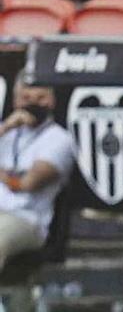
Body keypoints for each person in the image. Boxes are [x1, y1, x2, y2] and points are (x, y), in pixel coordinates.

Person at [0, 74, 75, 270]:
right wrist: (6, 126)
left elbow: (27, 184)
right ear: (15, 101)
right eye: (26, 98)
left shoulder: (59, 139)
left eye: (40, 98)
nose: (33, 104)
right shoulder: (7, 134)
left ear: (51, 100)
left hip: (26, 220)